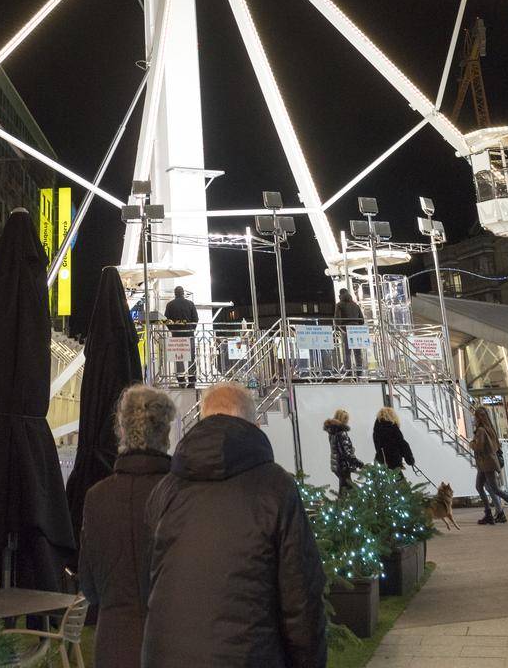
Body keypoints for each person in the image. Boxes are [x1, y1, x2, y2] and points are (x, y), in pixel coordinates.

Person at [142, 381, 326, 667]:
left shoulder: (167, 489)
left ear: (203, 418)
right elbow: (300, 597)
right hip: (248, 656)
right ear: (253, 424)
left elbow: (151, 580)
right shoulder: (276, 487)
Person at [78, 385, 176, 667]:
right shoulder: (180, 493)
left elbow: (89, 584)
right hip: (171, 641)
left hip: (113, 642)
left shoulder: (96, 497)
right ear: (165, 433)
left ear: (121, 429)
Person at [470, 403, 508, 526]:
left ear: (479, 418)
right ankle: (490, 514)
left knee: (494, 488)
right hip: (487, 463)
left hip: (486, 463)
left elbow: (478, 447)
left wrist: (471, 443)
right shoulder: (490, 428)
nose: (474, 419)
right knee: (480, 486)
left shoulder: (480, 430)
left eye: (475, 417)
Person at [163, 285, 198, 385]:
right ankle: (192, 379)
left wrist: (173, 330)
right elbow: (195, 319)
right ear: (183, 293)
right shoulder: (190, 304)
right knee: (191, 356)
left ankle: (181, 379)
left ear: (175, 293)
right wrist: (191, 329)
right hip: (189, 334)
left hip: (176, 335)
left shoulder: (170, 305)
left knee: (178, 357)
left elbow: (166, 320)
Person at [324, 408, 364, 496]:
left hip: (337, 465)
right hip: (343, 466)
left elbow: (338, 449)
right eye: (346, 419)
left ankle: (342, 507)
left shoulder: (332, 432)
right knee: (349, 490)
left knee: (345, 488)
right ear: (343, 420)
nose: (347, 422)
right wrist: (359, 463)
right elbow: (346, 453)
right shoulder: (341, 433)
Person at [332, 287, 365, 374]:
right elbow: (362, 320)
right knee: (357, 352)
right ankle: (359, 371)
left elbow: (337, 319)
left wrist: (341, 329)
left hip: (346, 329)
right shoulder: (355, 305)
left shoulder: (339, 305)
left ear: (340, 295)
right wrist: (356, 325)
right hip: (356, 329)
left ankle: (349, 372)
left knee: (347, 352)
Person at [372, 407, 414, 473]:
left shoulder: (376, 430)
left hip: (380, 461)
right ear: (392, 416)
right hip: (394, 462)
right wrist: (409, 459)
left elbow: (378, 446)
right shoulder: (393, 428)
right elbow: (402, 444)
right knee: (400, 482)